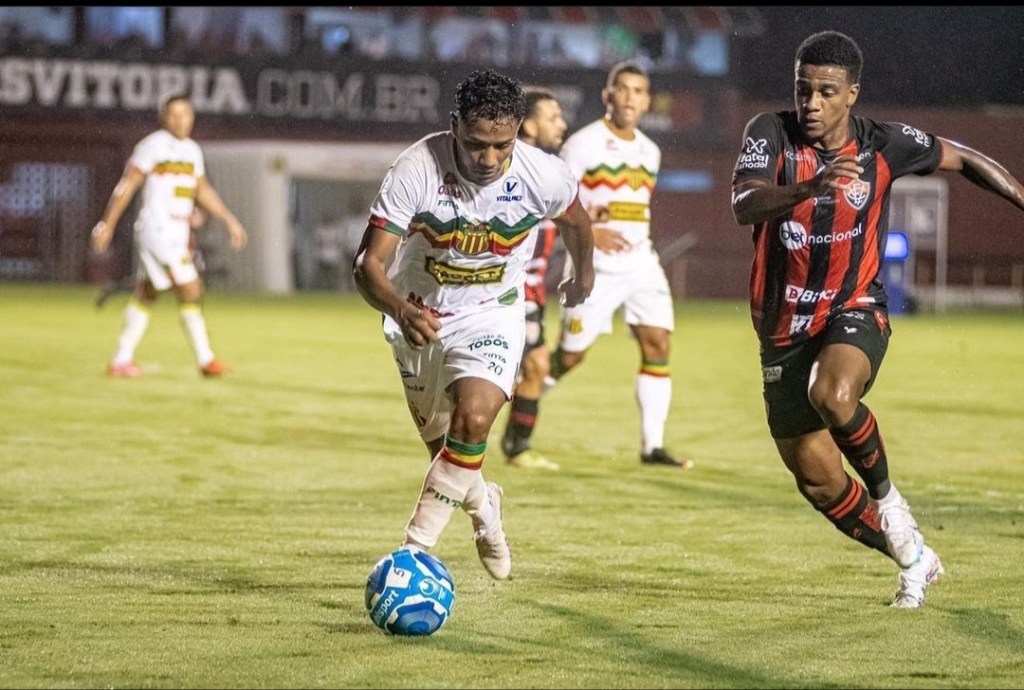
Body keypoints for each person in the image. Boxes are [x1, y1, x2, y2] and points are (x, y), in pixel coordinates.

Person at [730, 30, 1024, 609]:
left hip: (853, 306)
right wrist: (810, 187)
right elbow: (744, 204)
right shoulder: (769, 133)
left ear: (852, 94)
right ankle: (913, 556)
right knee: (818, 481)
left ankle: (890, 501)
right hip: (782, 330)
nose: (811, 103)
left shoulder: (884, 145)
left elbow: (964, 157)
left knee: (832, 393)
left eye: (826, 92)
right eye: (803, 89)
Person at [353, 69, 595, 581]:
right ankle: (487, 512)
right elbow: (367, 265)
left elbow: (576, 220)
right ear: (454, 126)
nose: (488, 159)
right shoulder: (416, 168)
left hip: (493, 312)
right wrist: (399, 309)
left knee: (475, 419)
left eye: (501, 146)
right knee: (449, 451)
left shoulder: (542, 174)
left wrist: (583, 273)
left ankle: (412, 553)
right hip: (418, 317)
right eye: (476, 144)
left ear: (518, 132)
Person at [546, 60, 694, 469]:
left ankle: (652, 447)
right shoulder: (582, 144)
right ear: (607, 95)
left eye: (638, 91)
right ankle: (523, 397)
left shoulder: (651, 151)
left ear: (647, 101)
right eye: (622, 89)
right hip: (593, 265)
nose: (630, 97)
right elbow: (555, 203)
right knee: (570, 357)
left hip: (641, 263)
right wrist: (592, 233)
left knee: (657, 342)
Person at [91, 93, 248, 378]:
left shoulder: (192, 150)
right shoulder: (152, 146)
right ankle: (206, 360)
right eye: (173, 114)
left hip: (177, 231)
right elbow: (128, 185)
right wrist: (107, 223)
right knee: (192, 289)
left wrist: (229, 220)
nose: (180, 120)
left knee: (147, 293)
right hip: (157, 230)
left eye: (185, 114)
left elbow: (202, 190)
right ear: (163, 117)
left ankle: (121, 360)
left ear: (192, 117)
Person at [500, 88, 569, 471]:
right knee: (534, 365)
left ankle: (516, 447)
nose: (562, 124)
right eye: (552, 117)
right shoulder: (510, 168)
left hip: (533, 290)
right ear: (528, 124)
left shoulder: (549, 170)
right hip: (509, 288)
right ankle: (512, 446)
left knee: (536, 365)